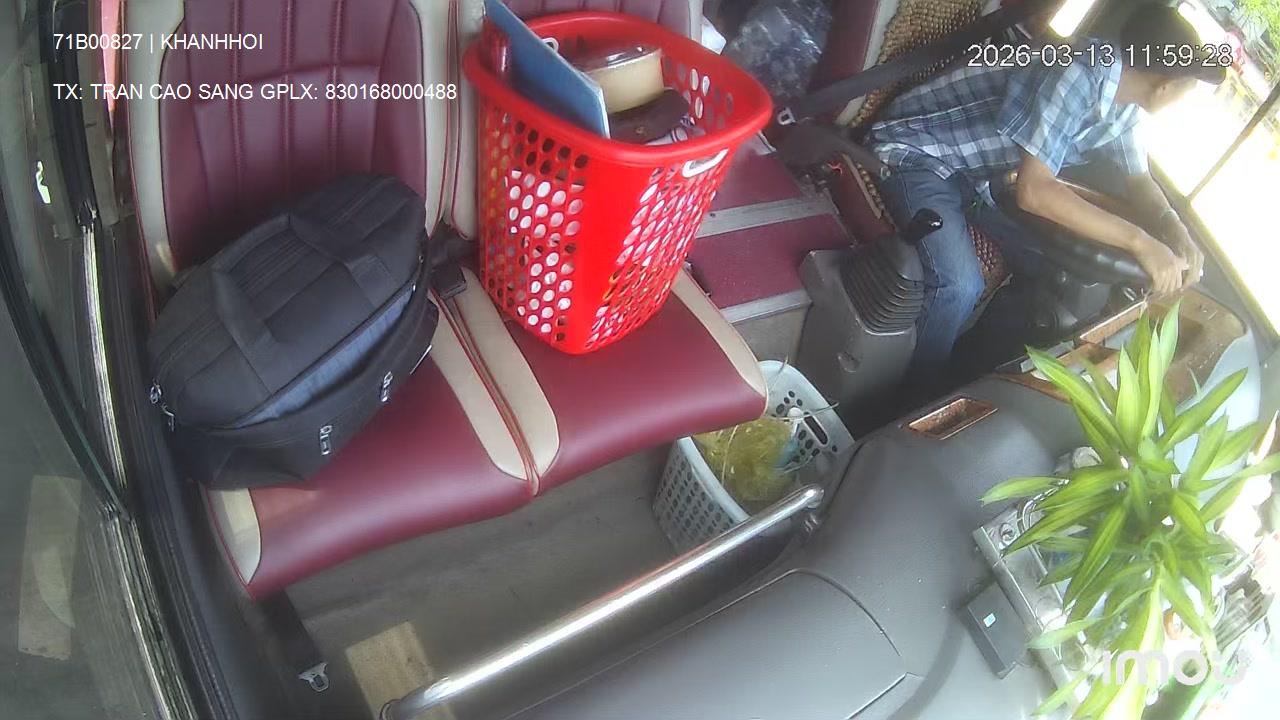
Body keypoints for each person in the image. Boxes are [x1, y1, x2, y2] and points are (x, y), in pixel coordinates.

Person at [865, 1, 1222, 399]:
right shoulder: (1077, 73)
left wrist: (1175, 230)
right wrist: (1140, 242)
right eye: (1189, 87)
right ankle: (911, 398)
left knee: (1046, 266)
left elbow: (1139, 180)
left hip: (971, 178)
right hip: (917, 153)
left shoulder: (1123, 104)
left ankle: (969, 369)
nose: (1185, 96)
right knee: (959, 285)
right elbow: (1034, 192)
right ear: (1166, 84)